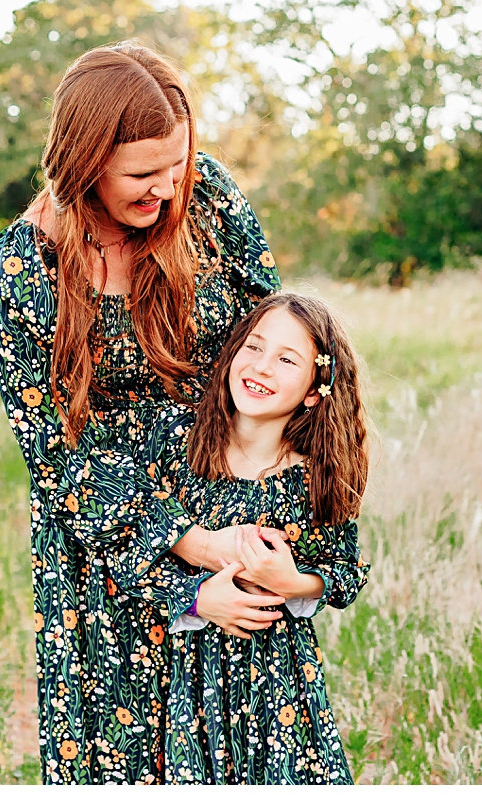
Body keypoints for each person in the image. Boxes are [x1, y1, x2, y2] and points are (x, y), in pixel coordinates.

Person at [0, 40, 291, 783]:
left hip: (231, 498)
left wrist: (273, 505)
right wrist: (190, 554)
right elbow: (57, 458)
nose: (167, 188)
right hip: (109, 553)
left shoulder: (207, 196)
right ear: (85, 162)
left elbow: (277, 330)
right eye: (143, 174)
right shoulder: (26, 269)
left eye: (177, 164)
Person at [101, 293, 372, 782]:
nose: (262, 367)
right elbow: (128, 553)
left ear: (315, 389)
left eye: (287, 360)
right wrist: (197, 597)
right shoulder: (177, 447)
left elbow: (344, 572)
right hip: (187, 679)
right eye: (254, 347)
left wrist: (293, 581)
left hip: (278, 687)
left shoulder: (311, 478)